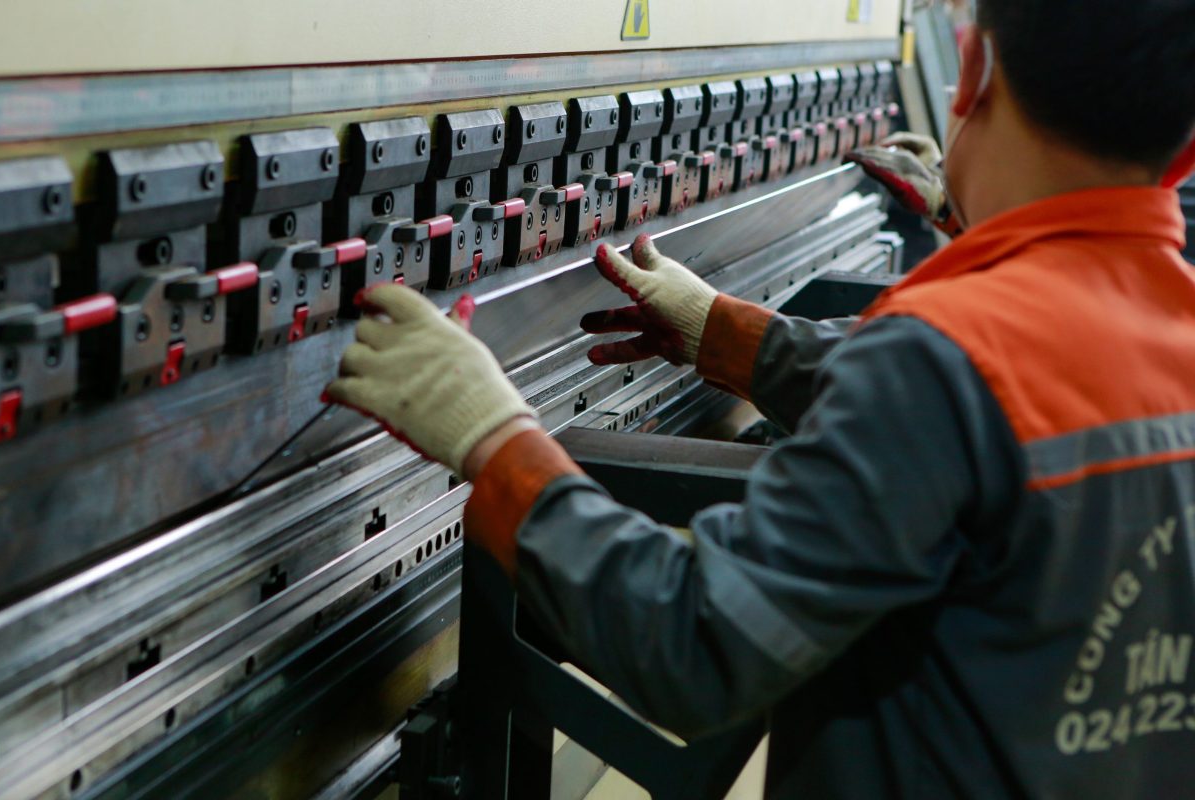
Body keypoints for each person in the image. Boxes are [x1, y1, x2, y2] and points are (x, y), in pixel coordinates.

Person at [326, 1, 1195, 795]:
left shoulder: (942, 358)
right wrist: (723, 331)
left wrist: (494, 439)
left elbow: (697, 646)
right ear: (1185, 152)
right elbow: (976, 417)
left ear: (971, 72)